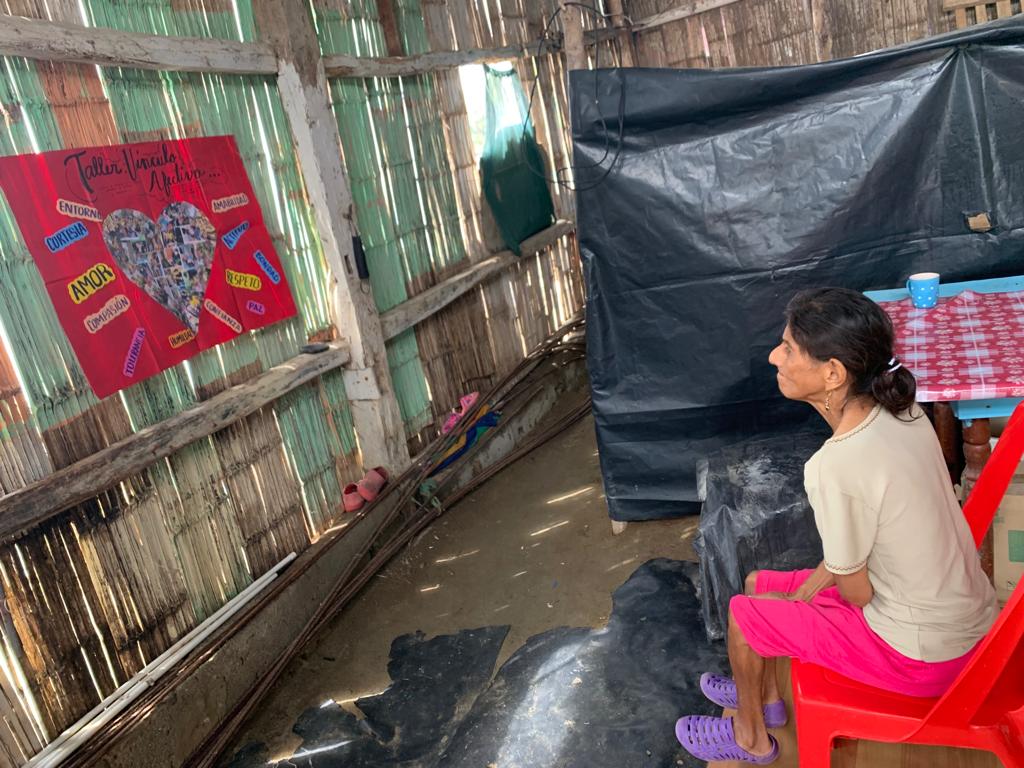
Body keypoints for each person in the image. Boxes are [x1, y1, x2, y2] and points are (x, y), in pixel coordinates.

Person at [675, 287, 998, 765]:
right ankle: (764, 697)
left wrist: (808, 597)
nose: (774, 356)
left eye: (788, 348)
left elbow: (858, 594)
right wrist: (802, 597)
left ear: (832, 373)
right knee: (758, 584)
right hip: (964, 624)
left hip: (922, 656)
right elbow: (864, 553)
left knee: (744, 614)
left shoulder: (837, 465)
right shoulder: (904, 411)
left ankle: (751, 737)